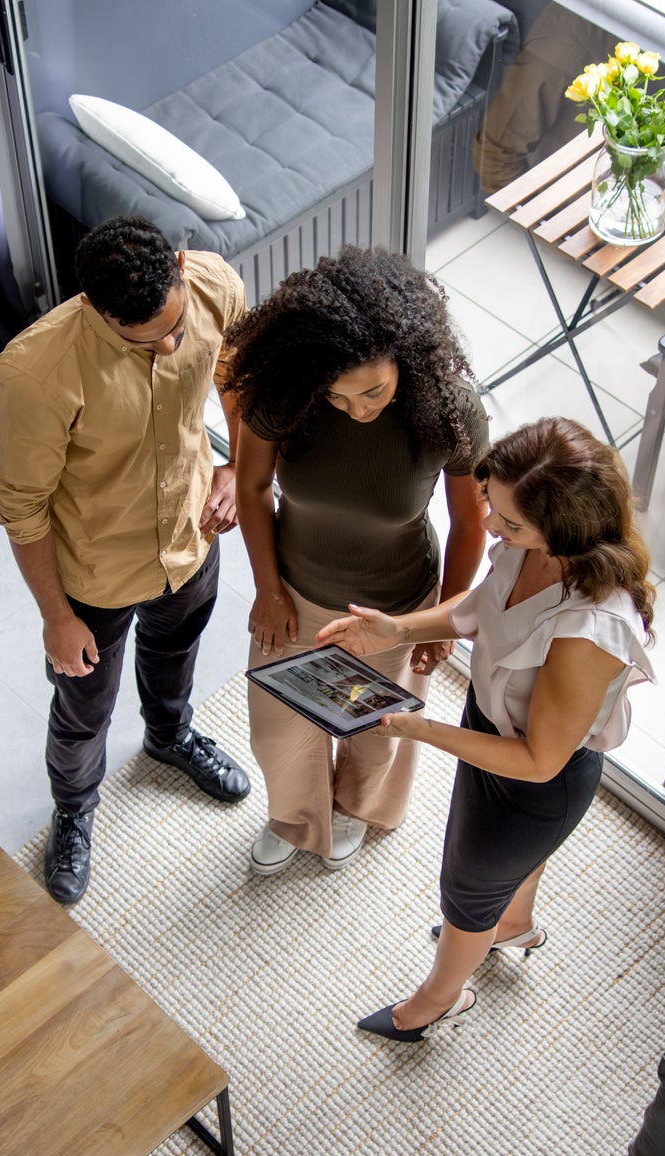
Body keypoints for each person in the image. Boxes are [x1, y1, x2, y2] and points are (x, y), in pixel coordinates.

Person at [319, 417, 656, 1040]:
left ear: (566, 526)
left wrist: (421, 730)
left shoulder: (591, 629)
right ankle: (514, 926)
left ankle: (437, 1001)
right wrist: (398, 629)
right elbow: (482, 607)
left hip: (536, 782)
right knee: (500, 877)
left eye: (510, 523)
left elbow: (538, 761)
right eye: (493, 509)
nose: (492, 528)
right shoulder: (531, 546)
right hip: (489, 730)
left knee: (467, 889)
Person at [0, 216, 252, 906]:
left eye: (175, 328)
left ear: (180, 266)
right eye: (145, 340)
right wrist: (55, 617)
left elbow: (238, 369)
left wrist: (236, 467)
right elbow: (22, 508)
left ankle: (170, 736)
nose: (169, 345)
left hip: (191, 538)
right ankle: (74, 810)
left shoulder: (214, 284)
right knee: (84, 711)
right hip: (95, 574)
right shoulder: (36, 375)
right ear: (95, 309)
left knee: (176, 652)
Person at [224, 245, 490, 875]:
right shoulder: (283, 394)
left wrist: (447, 618)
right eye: (339, 399)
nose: (360, 410)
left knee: (374, 729)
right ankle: (295, 818)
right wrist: (268, 589)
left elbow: (472, 521)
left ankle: (355, 809)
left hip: (397, 603)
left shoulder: (450, 408)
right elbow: (252, 488)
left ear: (405, 354)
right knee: (280, 728)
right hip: (295, 589)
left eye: (372, 391)